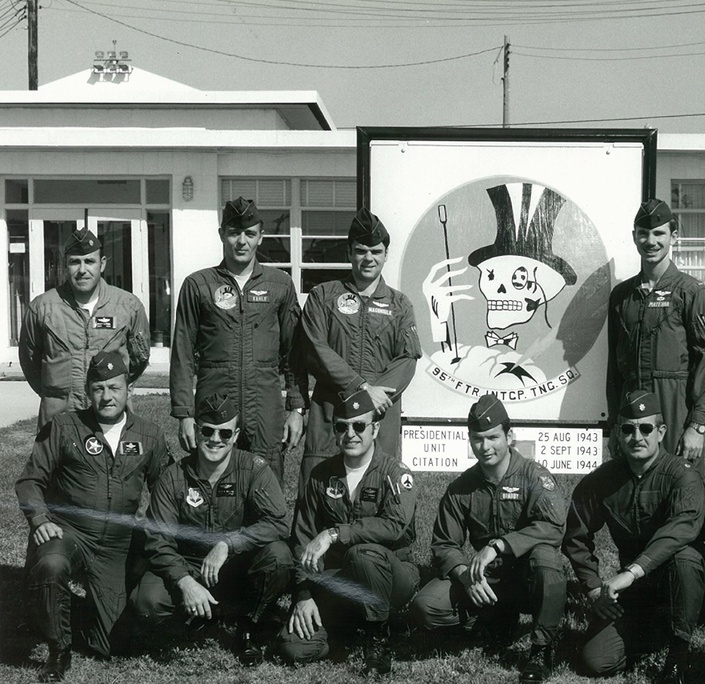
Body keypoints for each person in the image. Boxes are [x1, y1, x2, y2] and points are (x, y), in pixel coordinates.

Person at [15, 351, 169, 681]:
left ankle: (57, 607)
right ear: (88, 390)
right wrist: (41, 519)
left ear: (130, 389)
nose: (106, 396)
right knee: (52, 563)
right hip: (72, 533)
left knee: (111, 644)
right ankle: (59, 648)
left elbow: (166, 491)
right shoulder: (64, 427)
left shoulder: (150, 435)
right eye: (98, 388)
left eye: (114, 387)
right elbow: (30, 480)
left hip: (117, 543)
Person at [563, 391, 705, 684]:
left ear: (660, 432)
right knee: (596, 661)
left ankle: (677, 658)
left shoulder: (682, 476)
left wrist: (632, 572)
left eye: (646, 429)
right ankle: (657, 630)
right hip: (639, 590)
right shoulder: (602, 479)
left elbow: (681, 530)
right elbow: (576, 537)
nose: (637, 437)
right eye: (628, 429)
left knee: (683, 557)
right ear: (618, 433)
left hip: (686, 579)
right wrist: (594, 589)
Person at [411, 394, 567, 684]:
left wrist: (499, 545)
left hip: (528, 577)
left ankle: (542, 648)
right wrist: (465, 577)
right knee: (427, 605)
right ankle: (493, 622)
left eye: (493, 437)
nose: (485, 447)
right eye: (477, 439)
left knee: (546, 558)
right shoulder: (462, 487)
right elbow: (444, 544)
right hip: (488, 582)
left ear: (510, 436)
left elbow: (553, 527)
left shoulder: (534, 476)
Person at [131, 393, 294, 665]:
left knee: (278, 557)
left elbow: (277, 523)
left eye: (225, 433)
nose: (215, 440)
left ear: (236, 435)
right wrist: (184, 581)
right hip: (190, 564)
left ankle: (248, 626)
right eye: (207, 431)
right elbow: (158, 540)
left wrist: (229, 543)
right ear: (196, 431)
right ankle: (202, 615)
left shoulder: (253, 469)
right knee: (147, 602)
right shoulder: (174, 477)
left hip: (238, 565)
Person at [276, 390, 419, 676]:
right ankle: (348, 626)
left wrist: (334, 533)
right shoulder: (320, 475)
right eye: (342, 426)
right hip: (340, 578)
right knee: (295, 646)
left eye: (359, 426)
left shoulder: (395, 473)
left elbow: (393, 526)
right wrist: (304, 593)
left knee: (363, 552)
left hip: (392, 575)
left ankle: (378, 637)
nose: (350, 434)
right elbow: (303, 537)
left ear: (375, 428)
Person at [169, 197, 305, 482]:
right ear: (222, 234)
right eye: (234, 232)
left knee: (266, 485)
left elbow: (294, 352)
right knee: (211, 486)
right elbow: (182, 352)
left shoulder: (279, 284)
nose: (241, 241)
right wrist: (184, 414)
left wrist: (296, 407)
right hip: (213, 405)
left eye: (250, 233)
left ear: (260, 237)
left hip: (265, 408)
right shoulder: (199, 285)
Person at [297, 209, 421, 484]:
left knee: (376, 490)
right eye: (361, 250)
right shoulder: (324, 297)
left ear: (386, 254)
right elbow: (314, 348)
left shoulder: (400, 305)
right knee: (319, 489)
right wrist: (363, 389)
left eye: (376, 251)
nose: (369, 258)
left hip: (379, 418)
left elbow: (408, 357)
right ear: (349, 252)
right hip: (330, 415)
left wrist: (375, 397)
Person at [607, 198, 705, 461]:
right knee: (630, 490)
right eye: (643, 234)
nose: (651, 241)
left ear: (674, 236)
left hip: (674, 409)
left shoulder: (692, 293)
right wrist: (615, 422)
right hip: (631, 413)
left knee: (678, 487)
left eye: (659, 233)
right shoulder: (622, 296)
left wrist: (697, 425)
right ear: (634, 237)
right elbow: (614, 370)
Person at [19, 228, 149, 429]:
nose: (82, 270)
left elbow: (139, 358)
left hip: (111, 418)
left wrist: (115, 388)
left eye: (89, 261)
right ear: (65, 265)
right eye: (74, 262)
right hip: (59, 419)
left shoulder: (128, 306)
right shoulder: (42, 308)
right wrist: (56, 393)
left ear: (102, 264)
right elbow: (30, 362)